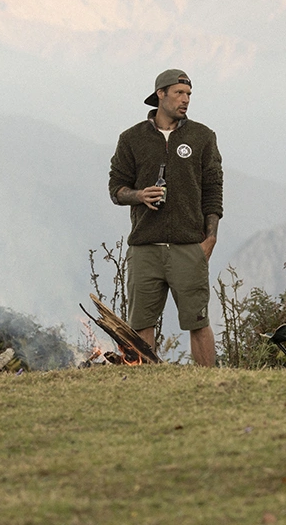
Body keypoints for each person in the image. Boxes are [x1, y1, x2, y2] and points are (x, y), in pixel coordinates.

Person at [108, 69, 223, 366]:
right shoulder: (132, 138)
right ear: (160, 94)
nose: (185, 100)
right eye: (179, 93)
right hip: (145, 247)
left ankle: (209, 384)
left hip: (189, 246)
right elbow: (116, 188)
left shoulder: (202, 137)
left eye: (189, 95)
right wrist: (139, 196)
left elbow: (213, 190)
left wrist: (210, 239)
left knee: (197, 321)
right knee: (141, 323)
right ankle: (144, 386)